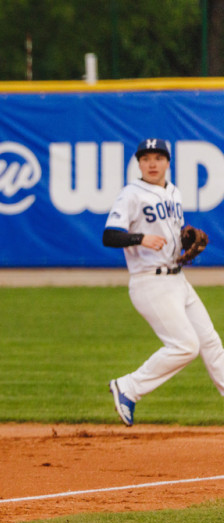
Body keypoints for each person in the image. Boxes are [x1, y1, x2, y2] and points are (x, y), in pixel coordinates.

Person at [104, 137, 224, 426]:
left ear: (168, 162)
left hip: (177, 280)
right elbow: (109, 235)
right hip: (150, 282)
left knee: (210, 343)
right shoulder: (131, 194)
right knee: (185, 346)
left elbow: (172, 231)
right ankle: (129, 387)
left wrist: (183, 238)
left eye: (158, 158)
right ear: (139, 163)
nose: (152, 163)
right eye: (146, 159)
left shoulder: (173, 192)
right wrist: (140, 238)